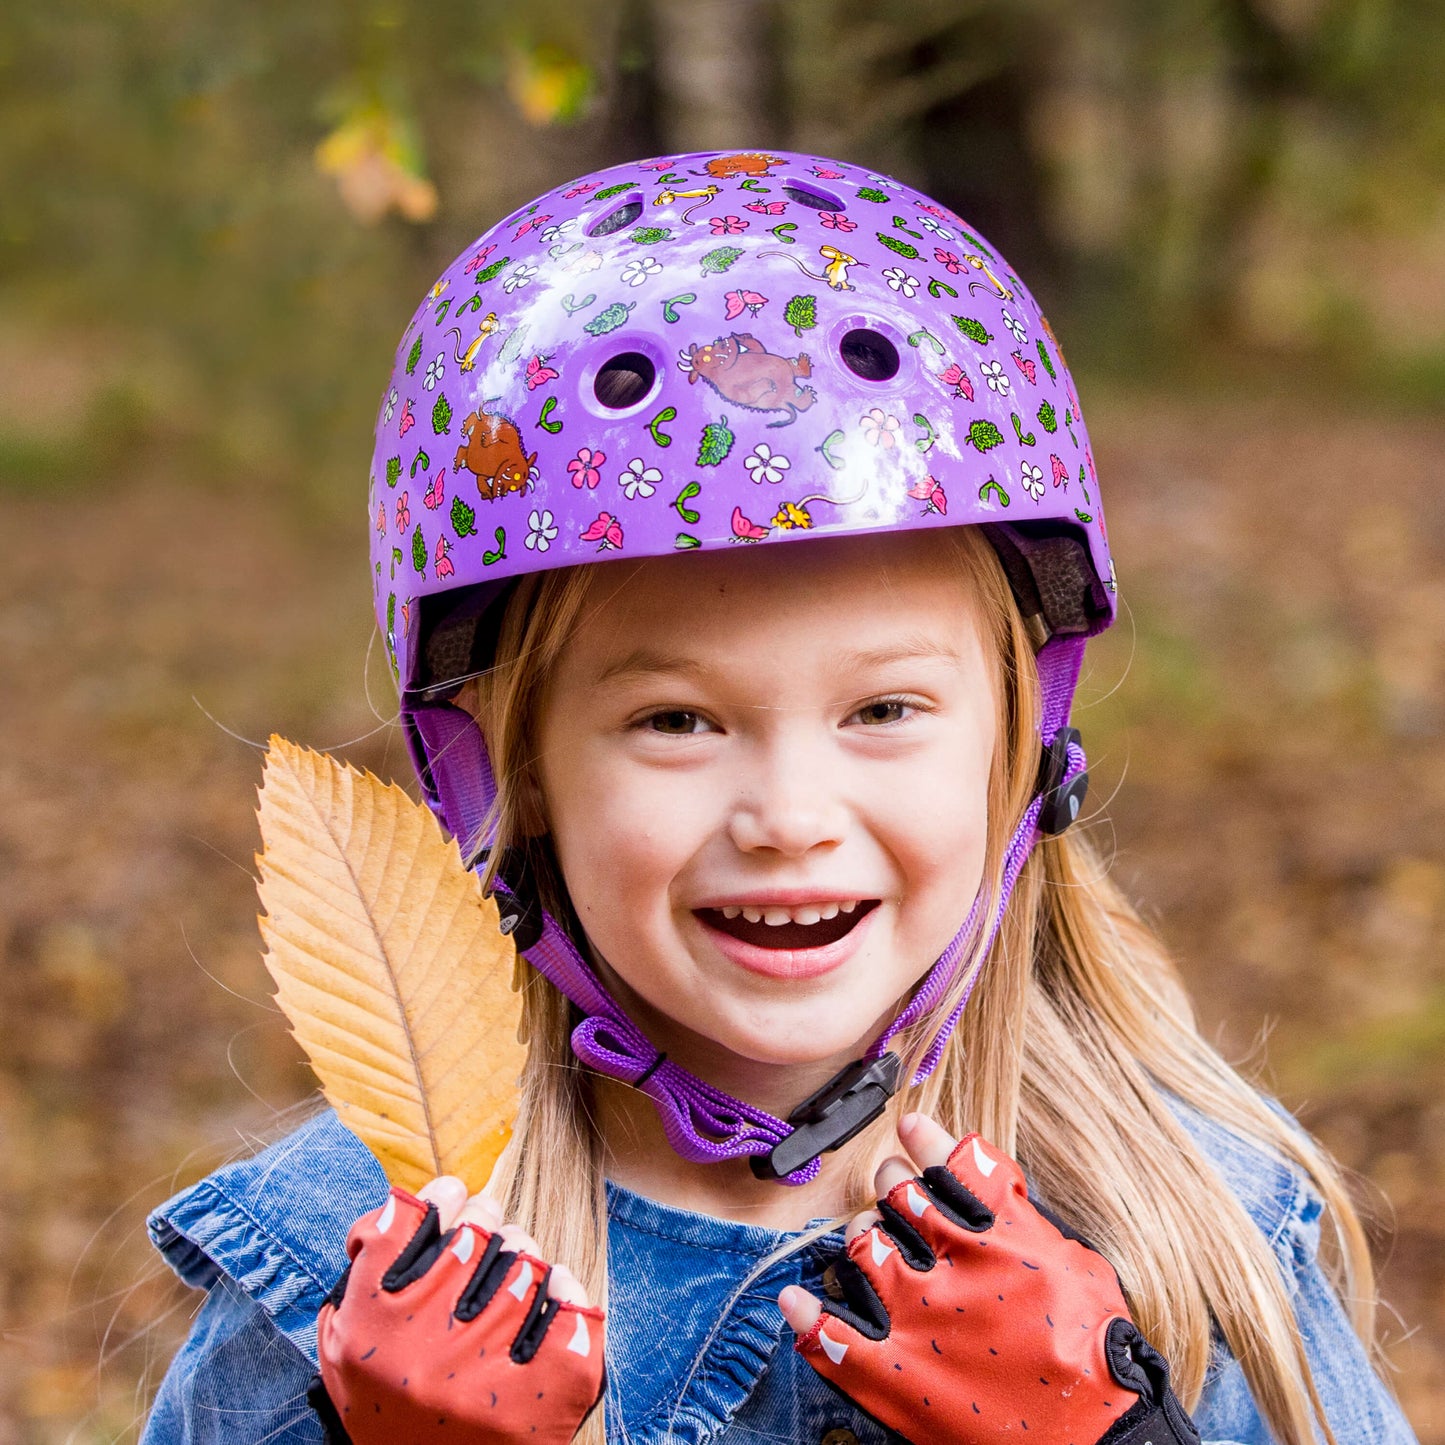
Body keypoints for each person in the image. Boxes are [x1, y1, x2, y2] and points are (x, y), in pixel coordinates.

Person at [141, 150, 1418, 1445]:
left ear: (1020, 748)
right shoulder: (353, 1288)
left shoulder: (1183, 1230)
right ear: (513, 771)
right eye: (675, 720)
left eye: (882, 710)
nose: (788, 814)